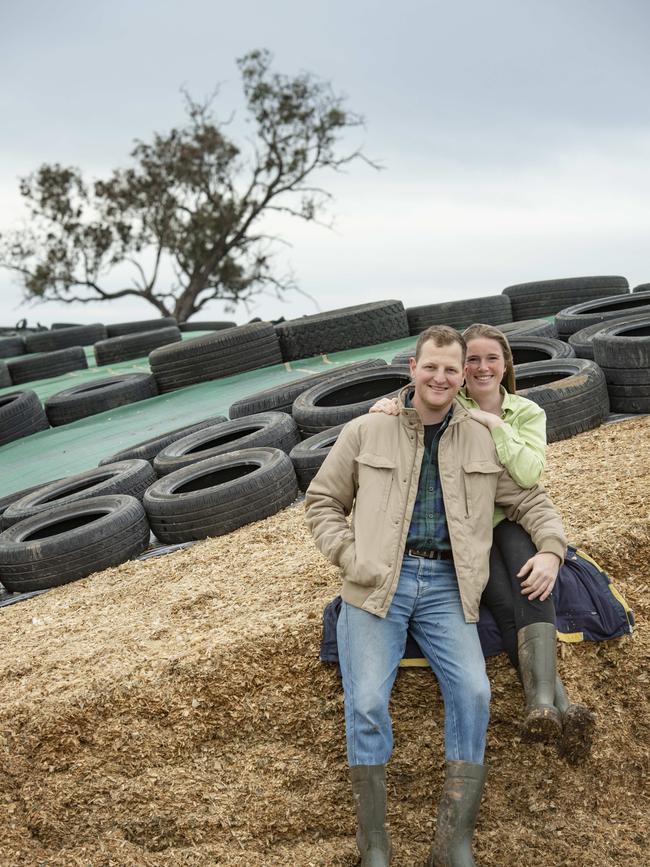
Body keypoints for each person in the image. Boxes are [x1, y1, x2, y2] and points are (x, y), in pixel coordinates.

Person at [304, 325, 567, 867]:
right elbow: (322, 501)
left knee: (474, 694)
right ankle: (374, 847)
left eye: (452, 369)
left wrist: (551, 551)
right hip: (379, 584)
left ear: (462, 374)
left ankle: (453, 844)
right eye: (432, 367)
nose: (442, 377)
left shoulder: (478, 434)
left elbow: (530, 501)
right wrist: (353, 560)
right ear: (413, 369)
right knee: (370, 702)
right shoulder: (364, 430)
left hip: (448, 586)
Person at [372, 323, 596, 761]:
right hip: (470, 526)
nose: (480, 367)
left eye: (491, 358)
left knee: (531, 576)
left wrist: (493, 423)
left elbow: (529, 476)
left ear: (506, 363)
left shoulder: (525, 413)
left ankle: (541, 703)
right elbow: (416, 397)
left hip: (509, 515)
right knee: (499, 600)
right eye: (471, 359)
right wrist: (388, 403)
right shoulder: (451, 402)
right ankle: (557, 708)